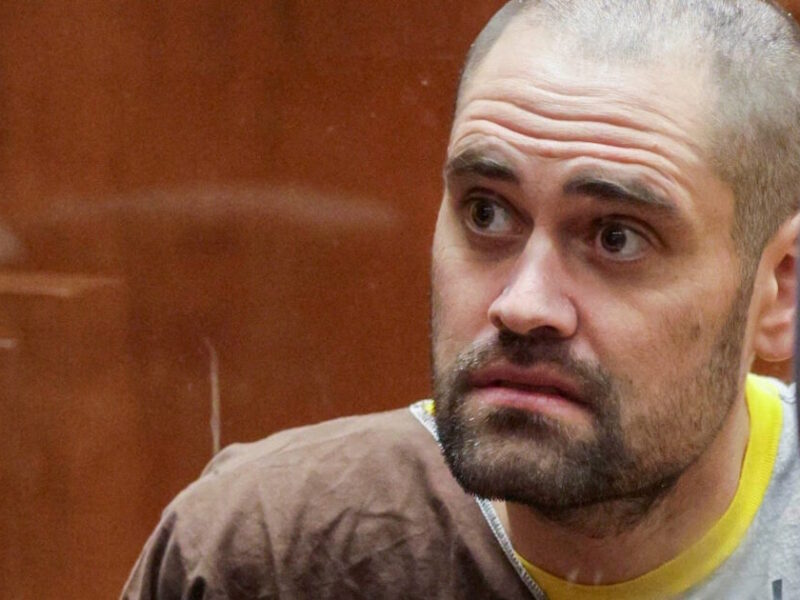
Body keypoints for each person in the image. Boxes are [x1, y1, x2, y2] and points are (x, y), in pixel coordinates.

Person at [121, 1, 800, 598]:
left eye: (616, 238)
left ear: (779, 291)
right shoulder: (271, 551)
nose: (522, 306)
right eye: (487, 213)